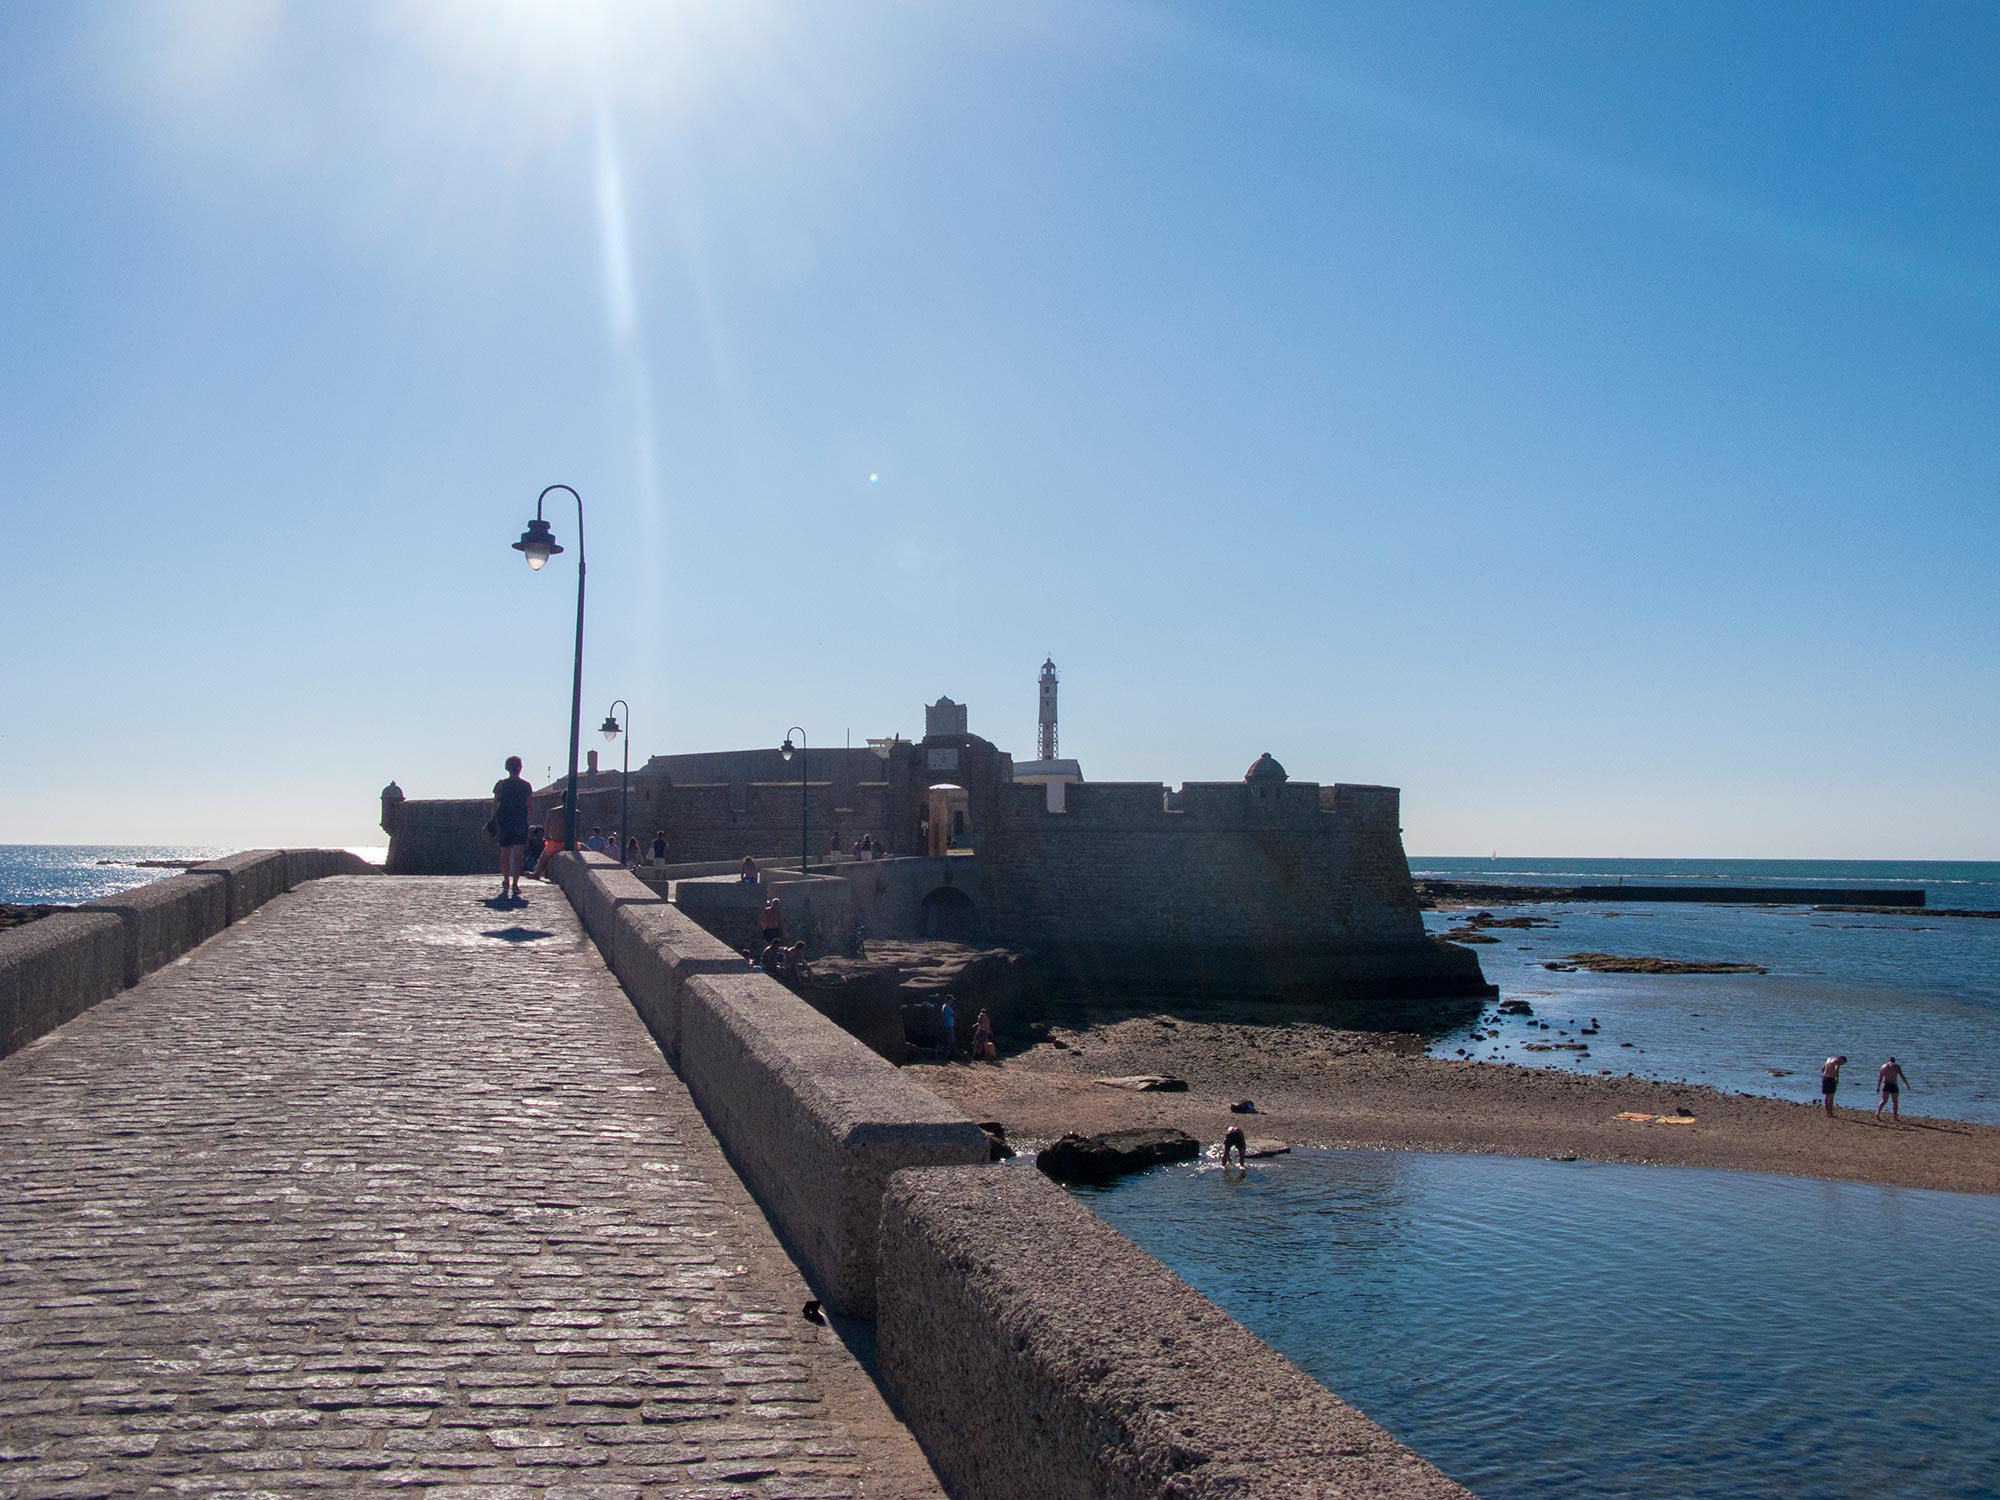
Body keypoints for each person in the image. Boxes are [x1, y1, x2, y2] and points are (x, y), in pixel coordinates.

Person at [492, 756, 533, 901]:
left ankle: (507, 881)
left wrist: (493, 821)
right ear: (520, 768)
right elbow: (529, 806)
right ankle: (515, 883)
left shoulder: (501, 784)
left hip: (505, 821)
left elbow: (495, 803)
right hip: (519, 822)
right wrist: (528, 820)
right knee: (517, 856)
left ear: (507, 768)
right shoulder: (526, 785)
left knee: (505, 853)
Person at [939, 996, 956, 1061]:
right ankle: (948, 1054)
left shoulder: (944, 1006)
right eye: (951, 1000)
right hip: (949, 1025)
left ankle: (947, 1054)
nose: (952, 1001)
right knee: (950, 1040)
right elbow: (953, 1014)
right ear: (948, 1000)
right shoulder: (947, 1007)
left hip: (947, 1024)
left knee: (948, 1040)